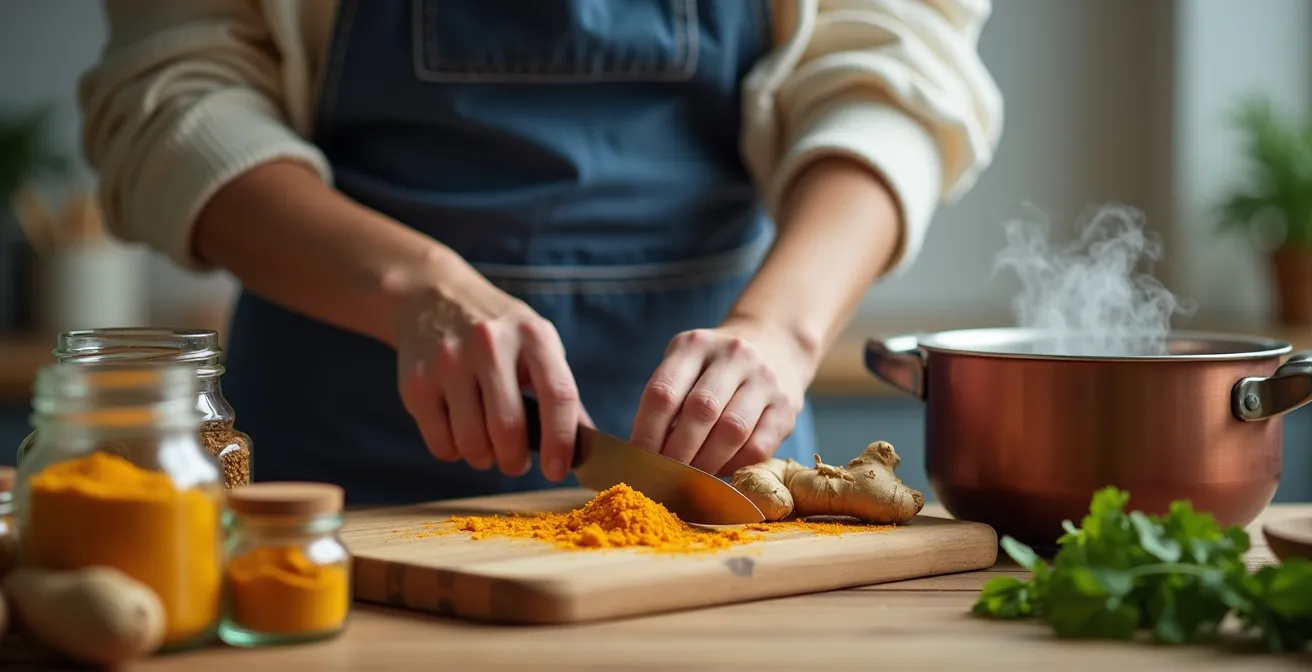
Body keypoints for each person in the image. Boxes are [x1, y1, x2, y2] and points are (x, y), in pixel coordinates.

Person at [78, 0, 1003, 505]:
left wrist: (782, 330)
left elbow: (900, 70)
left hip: (717, 481)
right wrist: (415, 287)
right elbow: (171, 97)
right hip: (336, 471)